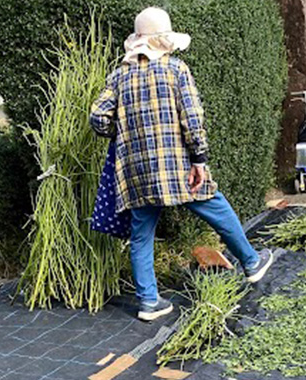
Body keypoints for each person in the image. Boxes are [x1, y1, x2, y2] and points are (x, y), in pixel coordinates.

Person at [90, 6, 274, 322]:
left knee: (141, 234)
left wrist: (121, 133)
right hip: (178, 167)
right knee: (215, 206)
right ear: (165, 41)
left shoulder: (118, 76)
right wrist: (199, 159)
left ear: (137, 41)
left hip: (136, 173)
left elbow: (97, 118)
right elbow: (192, 117)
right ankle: (251, 263)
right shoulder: (176, 70)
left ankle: (149, 302)